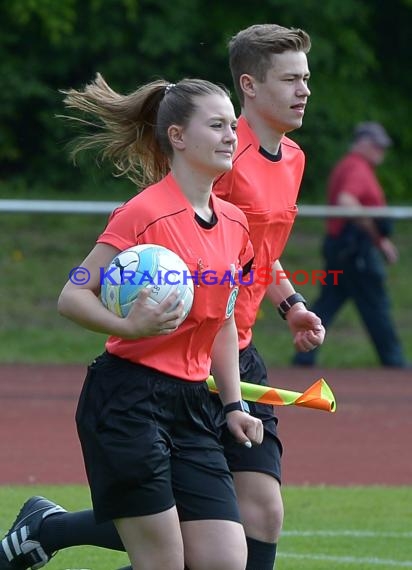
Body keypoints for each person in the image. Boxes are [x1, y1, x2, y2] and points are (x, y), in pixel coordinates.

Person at [0, 24, 325, 570]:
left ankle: (46, 529)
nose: (230, 138)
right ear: (178, 136)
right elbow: (74, 292)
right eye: (218, 126)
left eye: (230, 126)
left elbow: (229, 306)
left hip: (208, 383)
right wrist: (131, 325)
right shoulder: (145, 212)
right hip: (133, 396)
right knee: (166, 557)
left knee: (227, 551)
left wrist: (238, 397)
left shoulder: (239, 219)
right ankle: (49, 529)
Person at [293, 121, 408, 368]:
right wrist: (377, 237)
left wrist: (379, 241)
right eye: (377, 146)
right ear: (362, 144)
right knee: (375, 306)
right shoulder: (356, 167)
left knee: (329, 303)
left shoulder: (354, 166)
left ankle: (303, 356)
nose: (382, 152)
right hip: (354, 250)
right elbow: (347, 201)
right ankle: (395, 363)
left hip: (344, 248)